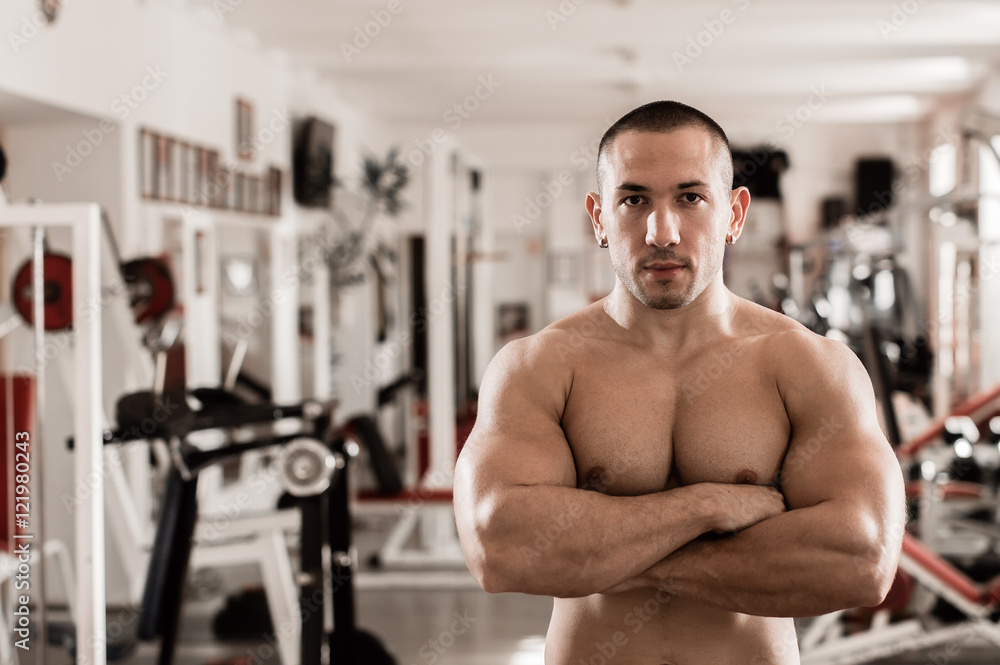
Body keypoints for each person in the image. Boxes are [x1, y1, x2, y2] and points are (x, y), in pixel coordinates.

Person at [453, 100, 905, 664]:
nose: (660, 231)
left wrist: (603, 557)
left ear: (734, 214)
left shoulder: (807, 366)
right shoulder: (540, 366)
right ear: (598, 217)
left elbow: (861, 558)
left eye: (690, 197)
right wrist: (711, 506)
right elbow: (500, 547)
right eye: (633, 198)